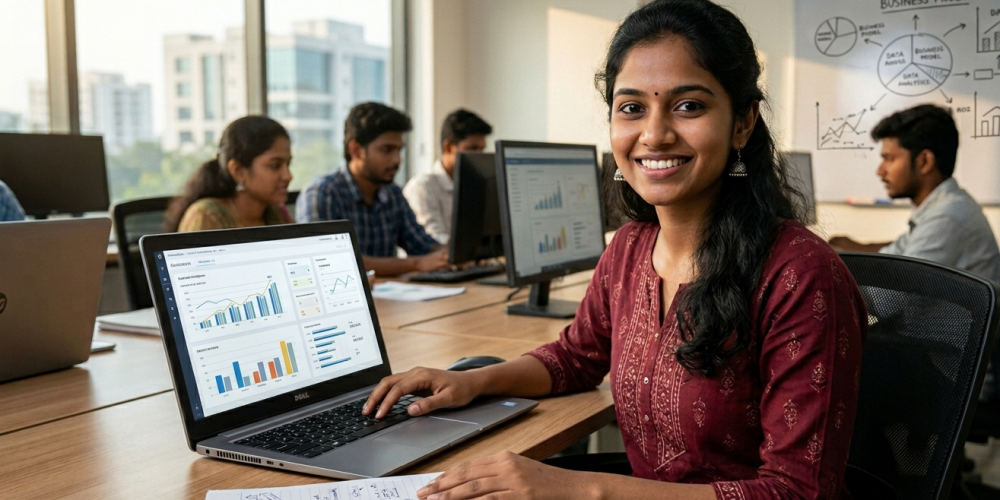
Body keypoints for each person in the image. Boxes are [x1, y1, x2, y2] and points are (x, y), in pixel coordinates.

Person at [363, 1, 867, 498]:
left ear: (742, 121)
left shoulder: (800, 274)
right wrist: (472, 382)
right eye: (632, 108)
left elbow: (798, 492)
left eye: (689, 106)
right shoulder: (629, 248)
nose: (654, 134)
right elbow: (575, 358)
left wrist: (580, 489)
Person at [829, 105, 1000, 282]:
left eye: (890, 159)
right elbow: (894, 255)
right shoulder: (941, 206)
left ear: (924, 161)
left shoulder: (947, 218)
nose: (880, 171)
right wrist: (847, 252)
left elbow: (897, 294)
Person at [297, 102, 449, 276]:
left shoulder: (392, 194)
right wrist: (416, 264)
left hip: (389, 291)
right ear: (355, 150)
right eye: (387, 150)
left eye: (399, 150)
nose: (397, 160)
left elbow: (423, 245)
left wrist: (452, 256)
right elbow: (327, 260)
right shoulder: (323, 194)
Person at [164, 116, 293, 232]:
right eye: (275, 166)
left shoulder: (275, 213)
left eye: (288, 164)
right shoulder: (207, 216)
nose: (288, 176)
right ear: (238, 171)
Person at [402, 109, 493, 243]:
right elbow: (432, 241)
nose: (479, 157)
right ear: (448, 147)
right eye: (472, 149)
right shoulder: (422, 187)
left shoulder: (475, 185)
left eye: (482, 150)